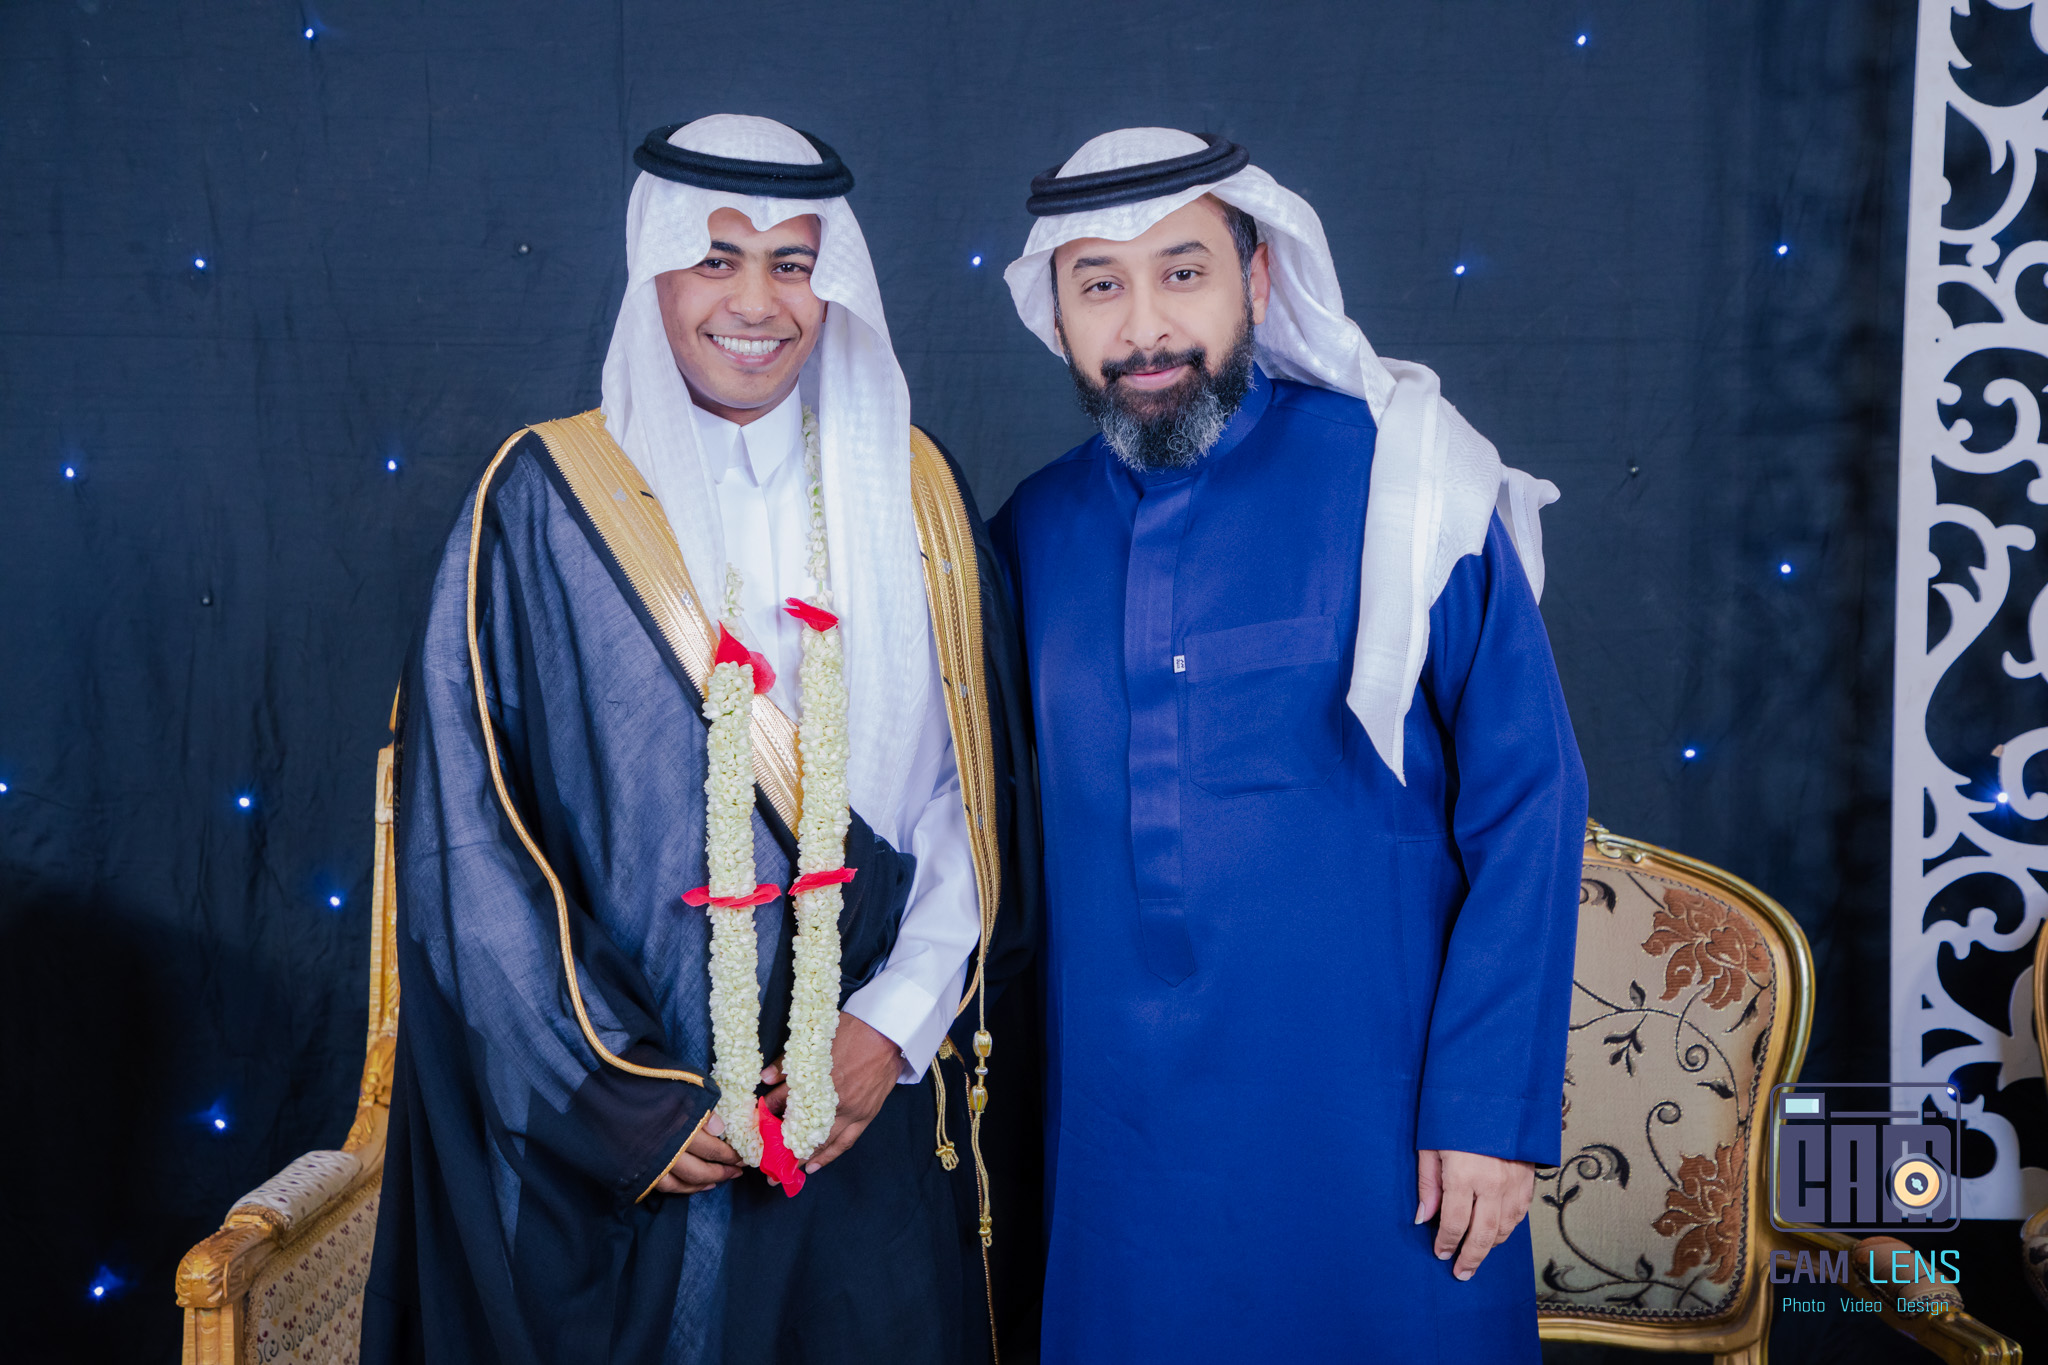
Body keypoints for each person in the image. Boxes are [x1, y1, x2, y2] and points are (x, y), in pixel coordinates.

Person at [362, 114, 1038, 1365]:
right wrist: (626, 1102)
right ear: (653, 274)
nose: (756, 302)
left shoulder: (916, 491)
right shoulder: (543, 499)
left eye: (792, 264)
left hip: (864, 1115)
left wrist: (891, 1025)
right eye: (714, 258)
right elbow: (472, 846)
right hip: (627, 1146)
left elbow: (972, 800)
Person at [990, 127, 1586, 1362]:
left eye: (1183, 272)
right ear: (1056, 312)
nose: (1144, 327)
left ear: (1257, 281)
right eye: (1099, 285)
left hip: (1381, 1128)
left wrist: (1487, 1108)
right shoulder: (1028, 533)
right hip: (1117, 1148)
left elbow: (1528, 800)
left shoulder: (1405, 483)